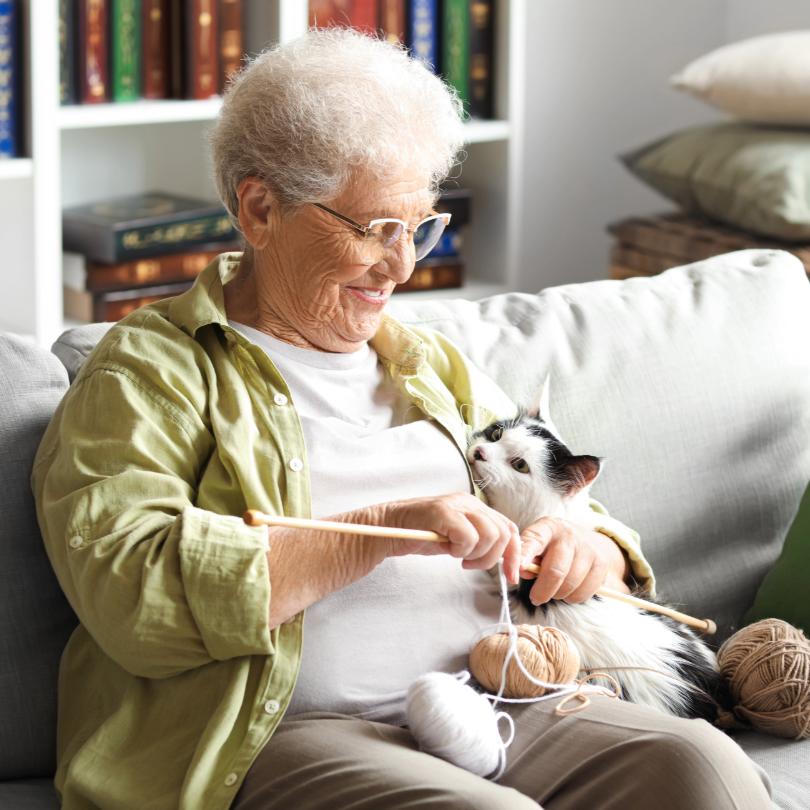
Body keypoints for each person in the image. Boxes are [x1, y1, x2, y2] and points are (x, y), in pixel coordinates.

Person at [32, 28, 772, 810]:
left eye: (421, 225)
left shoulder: (428, 361)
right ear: (260, 208)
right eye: (374, 228)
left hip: (504, 692)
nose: (404, 264)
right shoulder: (151, 370)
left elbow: (582, 518)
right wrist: (377, 527)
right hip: (296, 732)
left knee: (699, 766)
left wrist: (583, 548)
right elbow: (132, 596)